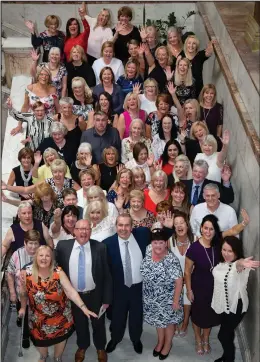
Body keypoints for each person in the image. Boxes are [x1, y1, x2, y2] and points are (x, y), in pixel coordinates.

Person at [104, 213, 174, 355]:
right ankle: (115, 338)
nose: (123, 228)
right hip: (119, 288)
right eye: (120, 225)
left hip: (139, 287)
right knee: (118, 317)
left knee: (136, 316)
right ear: (116, 226)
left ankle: (136, 339)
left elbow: (160, 240)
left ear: (132, 226)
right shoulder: (107, 243)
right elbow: (105, 272)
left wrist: (167, 228)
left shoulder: (142, 234)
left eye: (127, 225)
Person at [18, 244, 97, 362]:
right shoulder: (26, 273)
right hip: (37, 319)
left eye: (47, 256)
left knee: (60, 339)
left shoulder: (58, 272)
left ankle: (57, 357)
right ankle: (43, 356)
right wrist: (23, 308)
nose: (44, 258)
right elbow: (23, 293)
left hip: (60, 318)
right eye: (41, 255)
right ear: (36, 257)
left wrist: (83, 308)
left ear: (52, 258)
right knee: (39, 342)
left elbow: (70, 291)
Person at [185, 214, 250, 356]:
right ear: (201, 229)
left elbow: (233, 231)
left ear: (215, 231)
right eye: (205, 228)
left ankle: (206, 339)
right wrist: (189, 290)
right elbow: (187, 272)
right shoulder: (194, 248)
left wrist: (244, 223)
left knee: (209, 315)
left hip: (216, 287)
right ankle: (197, 338)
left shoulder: (218, 241)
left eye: (211, 229)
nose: (208, 232)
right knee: (197, 315)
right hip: (199, 286)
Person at [55, 219, 112, 362]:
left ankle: (100, 348)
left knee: (98, 323)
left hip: (95, 294)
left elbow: (107, 275)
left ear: (90, 232)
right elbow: (53, 266)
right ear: (74, 231)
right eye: (80, 229)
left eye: (86, 229)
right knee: (80, 323)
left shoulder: (100, 247)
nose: (83, 232)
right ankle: (82, 346)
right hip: (74, 296)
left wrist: (106, 299)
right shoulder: (63, 246)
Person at [212, 236, 260, 362]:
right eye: (224, 249)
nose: (226, 253)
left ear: (236, 252)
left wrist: (241, 263)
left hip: (236, 306)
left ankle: (229, 359)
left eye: (230, 251)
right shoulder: (222, 264)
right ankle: (227, 356)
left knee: (222, 335)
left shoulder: (238, 267)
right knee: (228, 333)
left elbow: (238, 266)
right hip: (224, 304)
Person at [140, 227, 183, 360]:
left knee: (169, 322)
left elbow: (179, 281)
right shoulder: (148, 250)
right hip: (151, 297)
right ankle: (160, 341)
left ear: (166, 243)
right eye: (155, 242)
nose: (157, 245)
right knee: (159, 322)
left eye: (161, 242)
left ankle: (167, 344)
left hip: (168, 298)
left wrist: (175, 301)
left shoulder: (171, 260)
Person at [6, 230, 41, 349]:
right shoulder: (17, 254)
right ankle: (25, 335)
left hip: (37, 293)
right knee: (23, 313)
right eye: (30, 243)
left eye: (36, 243)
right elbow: (9, 273)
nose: (33, 246)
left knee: (36, 315)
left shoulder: (43, 253)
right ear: (25, 243)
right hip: (21, 292)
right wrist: (11, 293)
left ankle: (31, 332)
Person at [3, 159, 78, 206]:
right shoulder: (46, 183)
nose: (57, 175)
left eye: (60, 172)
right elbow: (25, 190)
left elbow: (82, 195)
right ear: (52, 172)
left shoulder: (71, 183)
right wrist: (7, 187)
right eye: (55, 172)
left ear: (64, 172)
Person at [10, 65, 59, 136]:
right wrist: (19, 125)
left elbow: (58, 107)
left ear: (49, 77)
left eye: (46, 75)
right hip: (33, 121)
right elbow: (25, 107)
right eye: (41, 74)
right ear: (38, 76)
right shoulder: (29, 88)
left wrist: (59, 123)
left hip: (49, 121)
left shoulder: (53, 89)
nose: (44, 77)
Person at [169, 212, 194, 336]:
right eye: (176, 224)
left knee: (187, 300)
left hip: (191, 277)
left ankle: (185, 322)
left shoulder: (195, 240)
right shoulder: (170, 241)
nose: (179, 226)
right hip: (175, 278)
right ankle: (174, 322)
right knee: (174, 297)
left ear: (187, 225)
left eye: (181, 223)